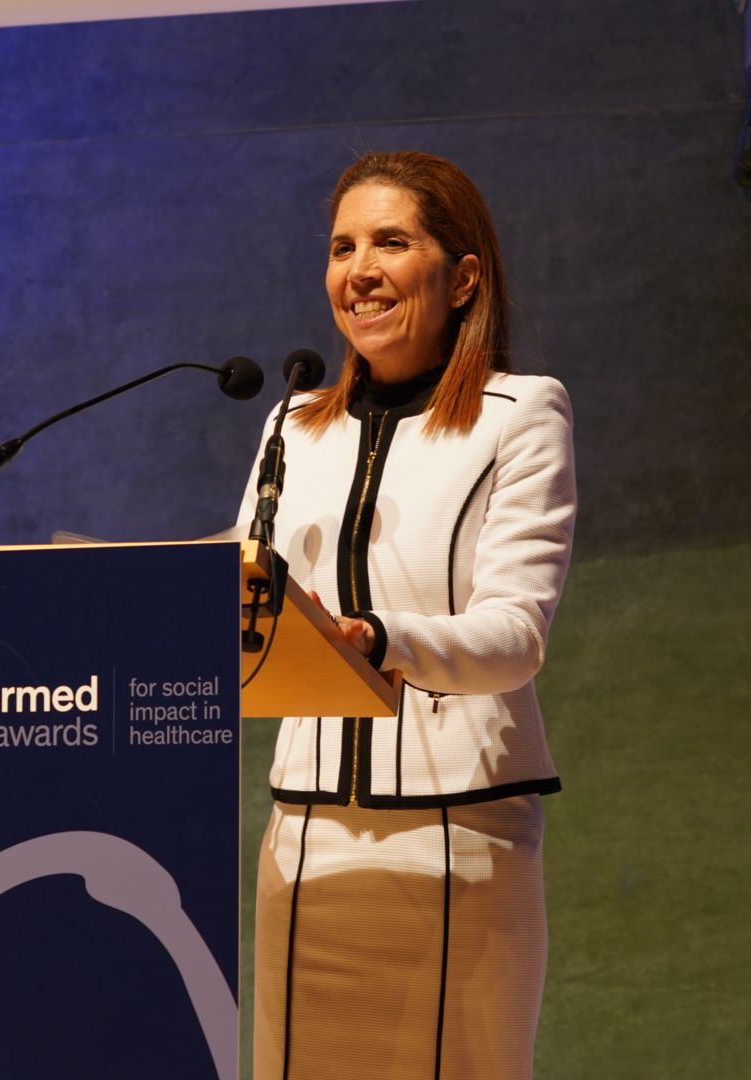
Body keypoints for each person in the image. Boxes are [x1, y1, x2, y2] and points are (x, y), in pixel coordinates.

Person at [236, 150, 576, 1080]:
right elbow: (239, 603)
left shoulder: (520, 415)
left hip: (458, 838)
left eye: (392, 241)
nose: (360, 269)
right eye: (343, 246)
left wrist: (385, 639)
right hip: (307, 843)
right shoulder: (291, 425)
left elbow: (517, 635)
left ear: (463, 276)